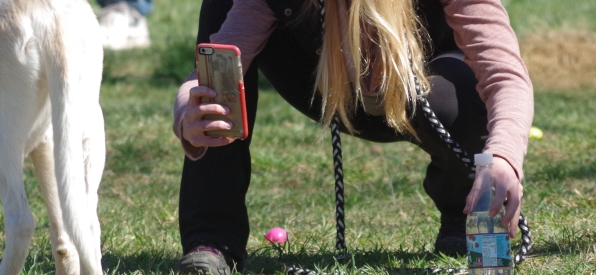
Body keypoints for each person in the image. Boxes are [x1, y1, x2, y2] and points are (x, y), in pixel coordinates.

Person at [171, 0, 533, 273]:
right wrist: (189, 105)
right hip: (320, 84)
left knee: (469, 86)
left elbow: (504, 74)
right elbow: (216, 61)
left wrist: (503, 158)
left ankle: (464, 216)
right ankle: (213, 239)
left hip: (427, 89)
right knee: (222, 18)